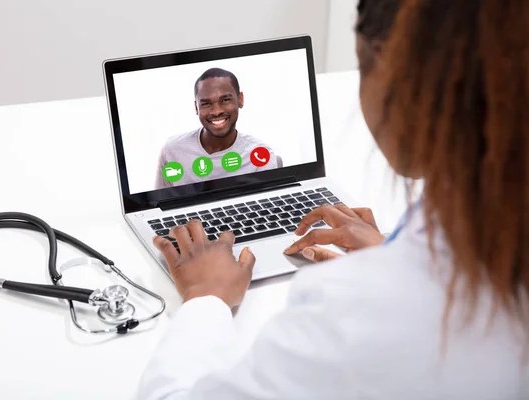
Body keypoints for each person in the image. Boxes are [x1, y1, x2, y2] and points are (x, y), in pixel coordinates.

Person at [138, 0, 529, 398]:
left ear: (389, 72)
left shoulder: (351, 316)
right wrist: (393, 254)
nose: (216, 110)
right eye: (206, 102)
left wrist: (206, 298)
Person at [154, 68, 278, 189]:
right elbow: (158, 203)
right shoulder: (172, 150)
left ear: (240, 99)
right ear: (196, 108)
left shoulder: (260, 154)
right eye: (206, 104)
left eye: (225, 100)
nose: (217, 111)